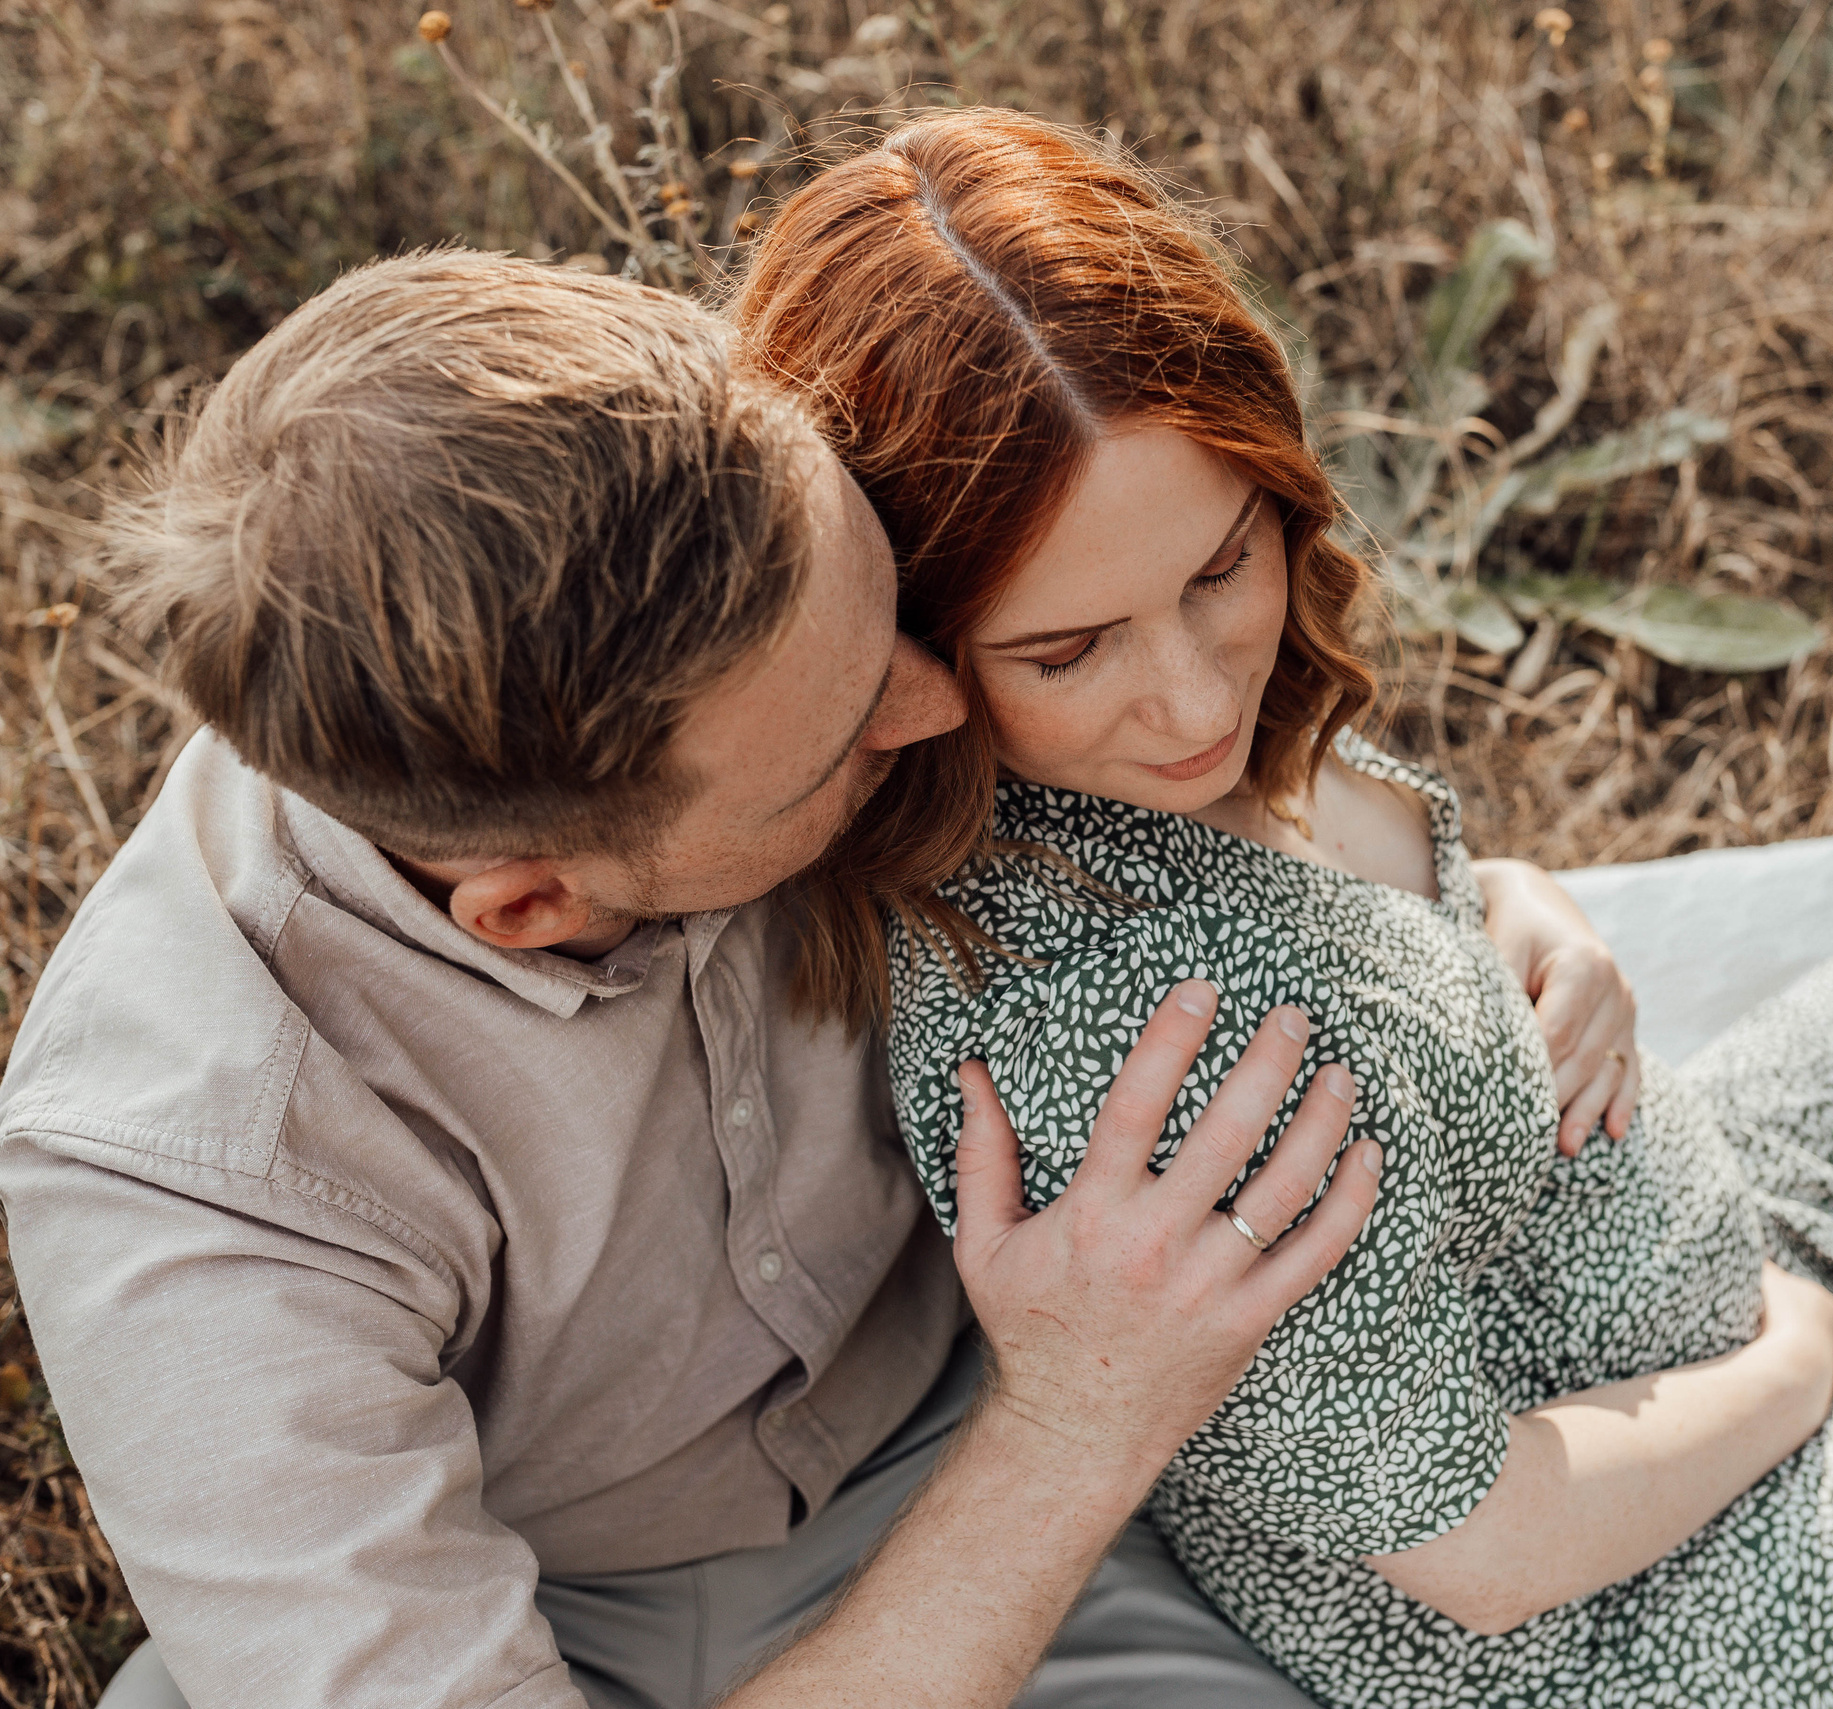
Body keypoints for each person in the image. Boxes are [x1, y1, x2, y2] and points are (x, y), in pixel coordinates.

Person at [729, 108, 1833, 1709]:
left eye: (1223, 568)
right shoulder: (1147, 1056)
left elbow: (1352, 887)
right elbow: (1486, 1552)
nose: (1198, 700)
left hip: (1620, 1279)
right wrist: (1797, 1348)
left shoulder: (1136, 771)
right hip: (1642, 1610)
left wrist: (1518, 908)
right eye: (1069, 647)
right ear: (905, 648)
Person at [0, 244, 1720, 1709]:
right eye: (845, 739)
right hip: (602, 1600)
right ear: (531, 904)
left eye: (895, 618)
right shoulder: (188, 1180)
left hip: (1010, 1439)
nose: (935, 709)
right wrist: (1073, 1422)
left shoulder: (740, 581)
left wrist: (1481, 901)